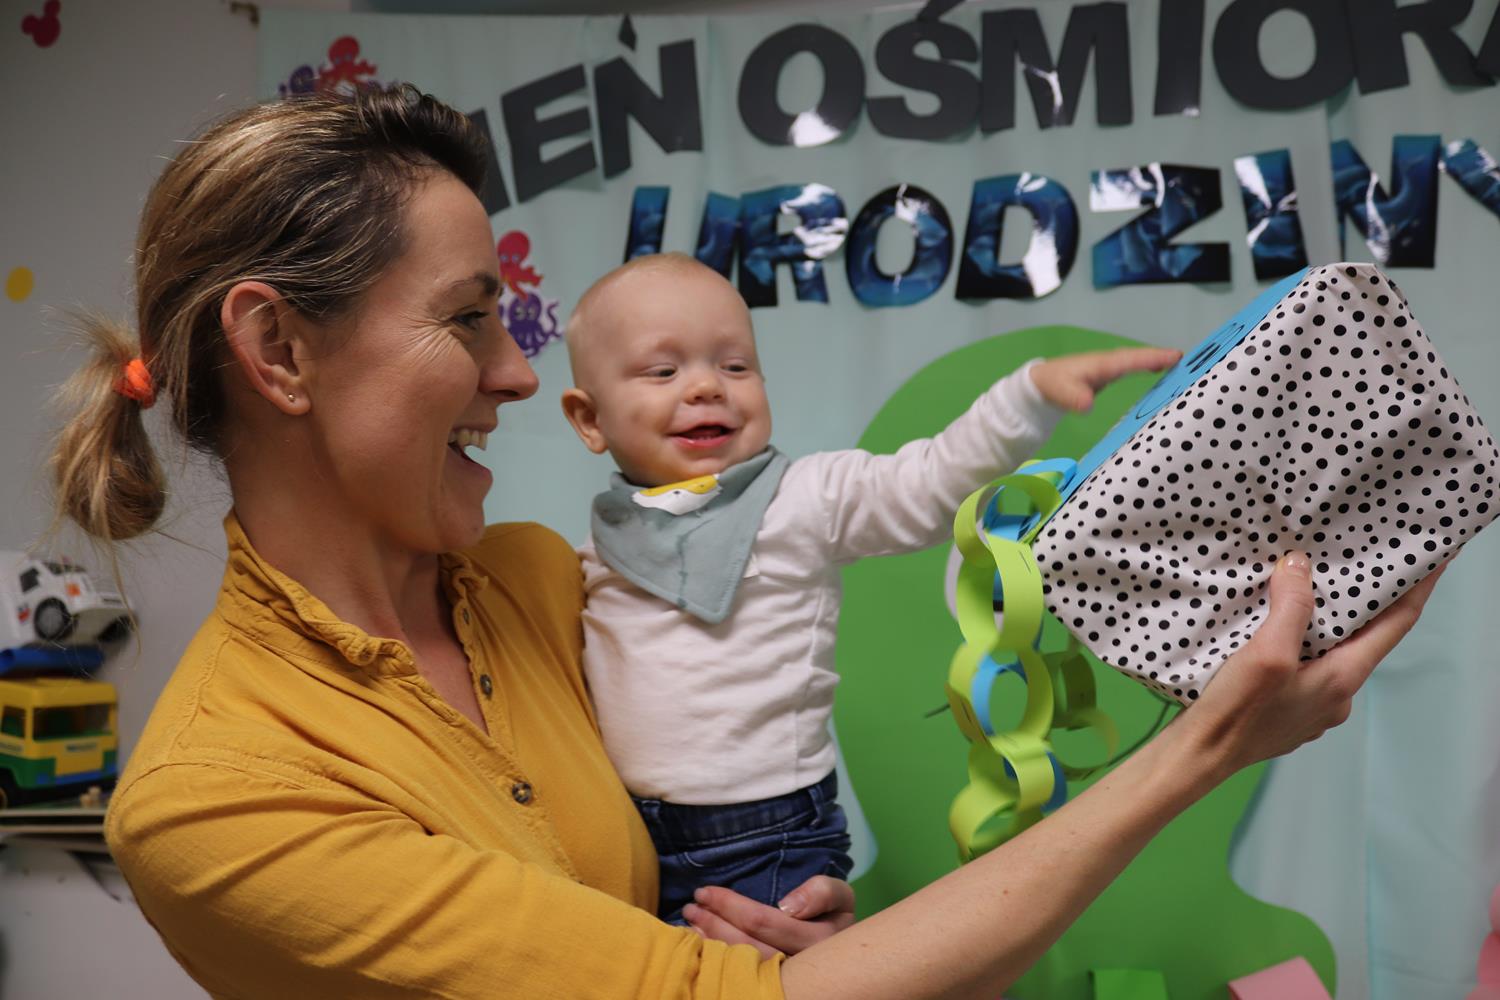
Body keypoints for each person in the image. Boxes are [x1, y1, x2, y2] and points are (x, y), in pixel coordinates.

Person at [50, 83, 1440, 1000]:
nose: (517, 375)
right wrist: (1207, 749)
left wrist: (811, 932)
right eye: (469, 318)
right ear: (279, 350)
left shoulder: (532, 584)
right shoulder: (215, 805)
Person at [559, 252, 1179, 923]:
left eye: (735, 366)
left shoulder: (804, 496)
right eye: (663, 371)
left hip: (766, 836)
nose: (707, 386)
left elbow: (930, 483)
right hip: (627, 830)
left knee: (765, 974)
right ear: (590, 420)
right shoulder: (606, 538)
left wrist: (1026, 396)